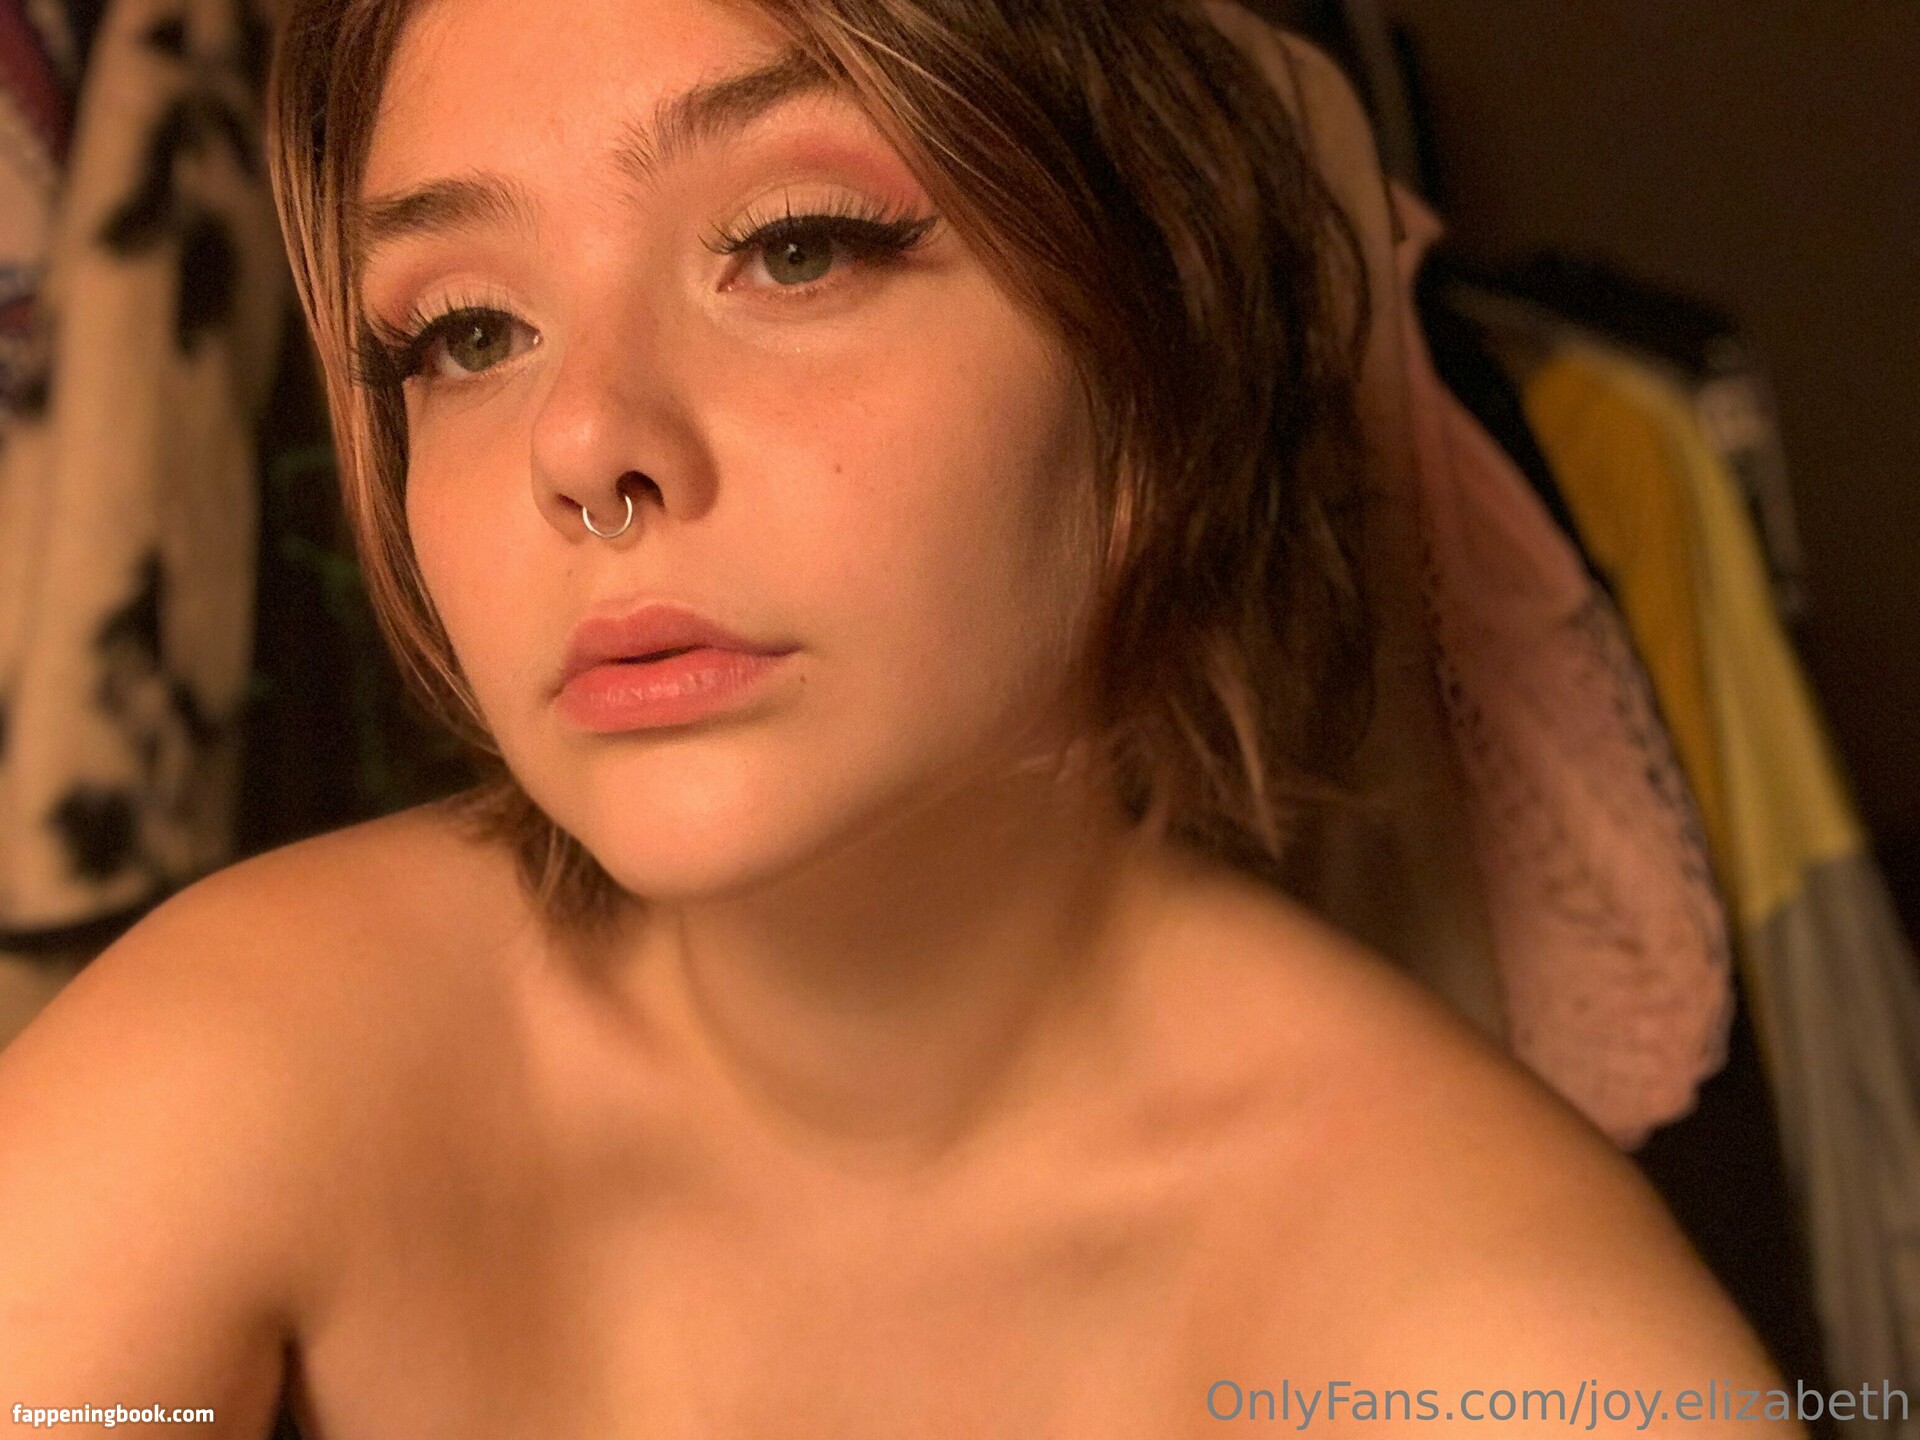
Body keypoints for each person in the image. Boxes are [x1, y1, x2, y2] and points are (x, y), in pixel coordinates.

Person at [0, 0, 1804, 1433]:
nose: (582, 441)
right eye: (467, 333)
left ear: (1153, 340)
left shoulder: (1520, 1358)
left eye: (796, 249)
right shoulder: (235, 1069)